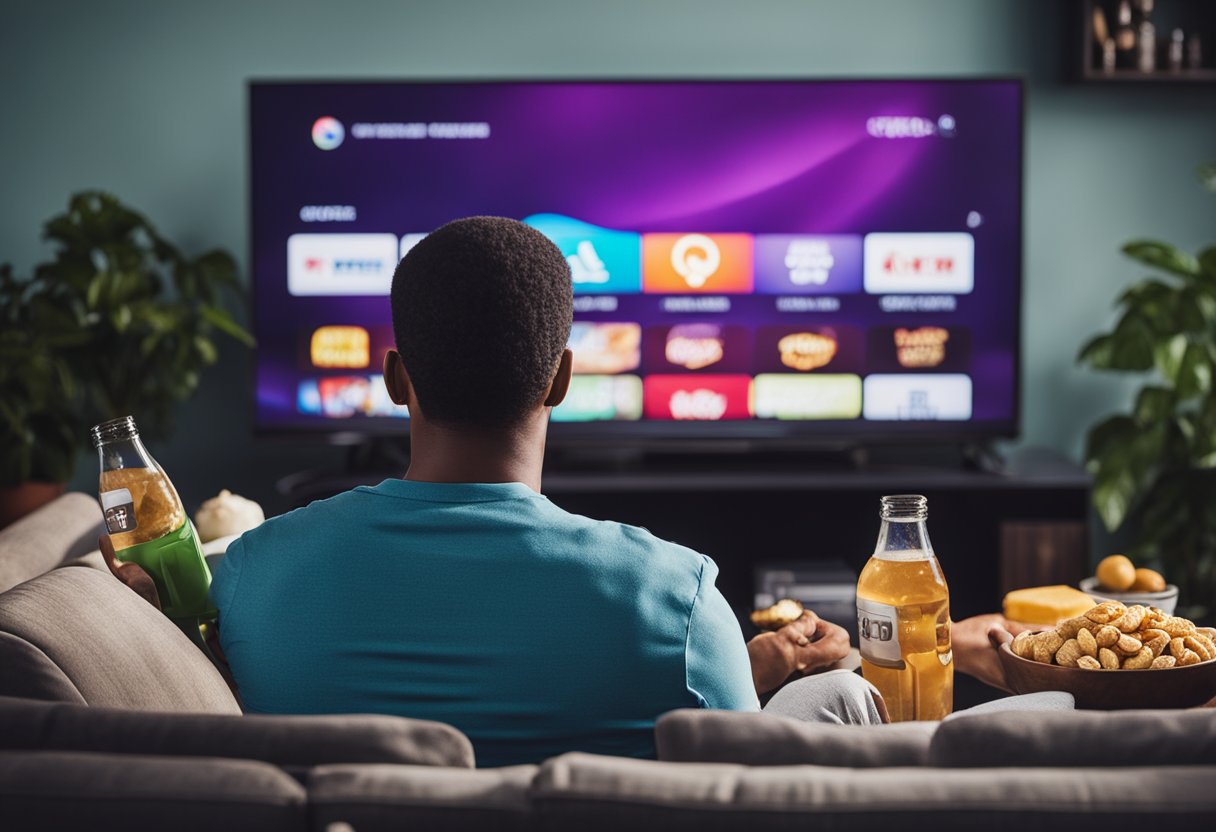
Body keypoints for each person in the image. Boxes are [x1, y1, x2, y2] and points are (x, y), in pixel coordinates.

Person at [100, 216, 1029, 766]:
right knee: (850, 698)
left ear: (393, 378)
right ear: (561, 382)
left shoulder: (255, 574)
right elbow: (730, 773)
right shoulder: (678, 593)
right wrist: (765, 665)